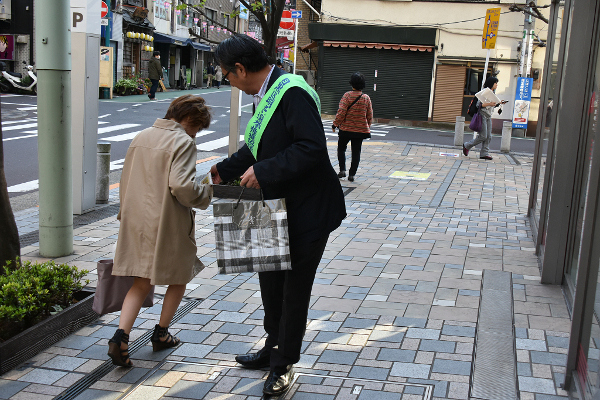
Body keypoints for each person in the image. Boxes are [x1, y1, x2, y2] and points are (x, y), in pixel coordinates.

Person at [210, 34, 346, 397]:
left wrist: (266, 170)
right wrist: (221, 170)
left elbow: (311, 148)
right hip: (270, 206)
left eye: (226, 73)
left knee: (292, 289)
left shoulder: (291, 92)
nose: (226, 79)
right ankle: (272, 347)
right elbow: (257, 147)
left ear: (240, 69)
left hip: (306, 210)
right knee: (269, 283)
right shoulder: (267, 94)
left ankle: (283, 364)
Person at [107, 95, 213, 367]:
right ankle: (162, 334)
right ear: (191, 120)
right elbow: (181, 187)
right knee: (179, 275)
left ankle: (121, 336)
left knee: (141, 281)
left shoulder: (142, 135)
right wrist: (206, 193)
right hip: (167, 221)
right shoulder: (183, 142)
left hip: (136, 219)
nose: (196, 133)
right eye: (198, 128)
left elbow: (126, 178)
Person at [332, 72, 373, 182]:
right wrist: (366, 127)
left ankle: (342, 170)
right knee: (356, 152)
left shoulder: (347, 95)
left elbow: (341, 112)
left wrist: (335, 124)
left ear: (352, 84)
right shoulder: (366, 98)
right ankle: (352, 175)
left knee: (341, 149)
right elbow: (370, 116)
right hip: (360, 131)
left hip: (345, 129)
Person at [463, 76, 502, 160]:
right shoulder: (485, 92)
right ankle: (467, 145)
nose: (497, 85)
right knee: (483, 136)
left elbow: (492, 104)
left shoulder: (492, 93)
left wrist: (499, 103)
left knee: (489, 136)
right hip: (482, 115)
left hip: (488, 116)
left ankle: (484, 153)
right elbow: (479, 105)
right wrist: (490, 104)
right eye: (496, 83)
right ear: (491, 83)